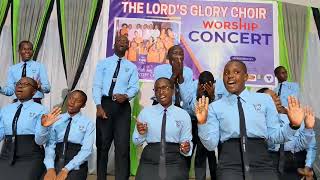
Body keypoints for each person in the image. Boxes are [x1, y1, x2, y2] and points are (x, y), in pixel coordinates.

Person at [195, 60, 314, 180]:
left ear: (246, 77)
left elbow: (274, 136)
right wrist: (202, 123)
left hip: (262, 164)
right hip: (229, 166)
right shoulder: (215, 107)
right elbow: (211, 145)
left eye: (236, 72)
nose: (230, 75)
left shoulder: (264, 100)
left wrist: (293, 125)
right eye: (226, 73)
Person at [93, 35, 139, 180]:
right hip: (105, 105)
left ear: (128, 47)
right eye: (120, 41)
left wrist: (126, 96)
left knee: (122, 146)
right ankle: (101, 177)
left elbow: (134, 87)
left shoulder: (131, 67)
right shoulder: (103, 63)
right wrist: (98, 106)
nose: (122, 43)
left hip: (122, 108)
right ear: (114, 45)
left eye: (125, 42)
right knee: (103, 145)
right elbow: (97, 85)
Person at [0, 77, 60, 180]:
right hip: (6, 156)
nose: (20, 85)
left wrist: (43, 126)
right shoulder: (6, 109)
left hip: (31, 157)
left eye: (26, 84)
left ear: (34, 91)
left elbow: (40, 141)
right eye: (18, 83)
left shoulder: (41, 110)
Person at [133, 77, 192, 180]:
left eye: (164, 88)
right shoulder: (145, 113)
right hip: (150, 159)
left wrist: (186, 148)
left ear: (172, 91)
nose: (160, 92)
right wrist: (141, 133)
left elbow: (186, 142)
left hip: (175, 160)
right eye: (157, 89)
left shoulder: (183, 115)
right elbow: (136, 142)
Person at [257, 88, 317, 180]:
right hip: (270, 165)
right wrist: (293, 126)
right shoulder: (258, 121)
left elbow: (302, 146)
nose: (276, 99)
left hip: (295, 165)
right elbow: (271, 141)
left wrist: (308, 128)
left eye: (276, 96)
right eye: (271, 98)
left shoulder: (294, 115)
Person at [180, 71, 228, 180]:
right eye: (202, 84)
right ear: (198, 83)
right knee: (200, 155)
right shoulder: (194, 87)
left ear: (213, 83)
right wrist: (198, 97)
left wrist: (212, 97)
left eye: (208, 84)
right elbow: (192, 111)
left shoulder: (222, 87)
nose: (205, 86)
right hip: (200, 126)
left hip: (219, 127)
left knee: (215, 156)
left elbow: (224, 109)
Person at [43, 90, 95, 180]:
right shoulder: (56, 119)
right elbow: (50, 145)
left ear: (83, 105)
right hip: (56, 158)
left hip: (75, 161)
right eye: (71, 98)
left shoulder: (88, 123)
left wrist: (66, 170)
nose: (72, 102)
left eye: (77, 101)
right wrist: (50, 168)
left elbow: (86, 150)